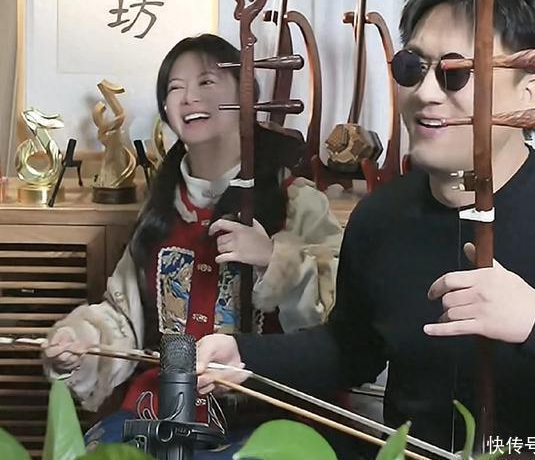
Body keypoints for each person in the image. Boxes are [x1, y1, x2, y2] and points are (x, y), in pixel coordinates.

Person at [196, 0, 535, 460]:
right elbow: (353, 349)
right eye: (413, 68)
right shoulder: (381, 219)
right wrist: (246, 356)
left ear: (530, 92)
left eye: (456, 73)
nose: (425, 93)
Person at [41, 34, 343, 457]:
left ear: (246, 98)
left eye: (206, 82)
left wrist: (274, 259)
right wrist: (79, 342)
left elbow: (342, 317)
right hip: (161, 413)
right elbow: (123, 317)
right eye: (175, 88)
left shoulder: (296, 201)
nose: (188, 98)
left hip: (267, 418)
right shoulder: (161, 208)